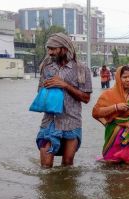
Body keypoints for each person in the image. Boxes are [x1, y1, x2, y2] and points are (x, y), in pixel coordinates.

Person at [35, 32, 92, 168]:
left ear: (64, 49)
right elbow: (39, 92)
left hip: (71, 122)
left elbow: (86, 98)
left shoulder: (81, 69)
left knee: (67, 165)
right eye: (48, 49)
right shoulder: (46, 67)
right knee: (46, 166)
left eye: (53, 49)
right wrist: (47, 89)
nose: (49, 52)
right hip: (49, 122)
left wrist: (65, 85)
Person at [92, 66, 129, 165]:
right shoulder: (108, 94)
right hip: (114, 136)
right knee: (111, 165)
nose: (128, 80)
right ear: (118, 78)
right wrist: (115, 107)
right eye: (124, 77)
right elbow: (96, 112)